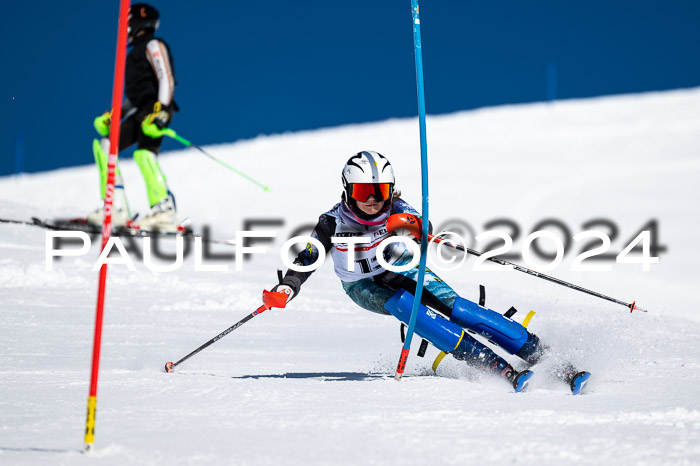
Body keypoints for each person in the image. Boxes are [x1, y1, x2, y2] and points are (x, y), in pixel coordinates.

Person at [269, 150, 591, 393]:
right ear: (347, 191)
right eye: (362, 192)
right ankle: (497, 367)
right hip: (363, 286)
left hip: (399, 267)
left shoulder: (396, 208)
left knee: (460, 309)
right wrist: (288, 287)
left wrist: (414, 229)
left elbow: (425, 229)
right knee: (408, 309)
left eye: (379, 191)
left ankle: (543, 355)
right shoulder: (332, 221)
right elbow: (307, 257)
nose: (371, 200)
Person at [88, 3, 179, 231]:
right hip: (139, 110)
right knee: (107, 145)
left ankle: (164, 210)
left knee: (144, 155)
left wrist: (162, 112)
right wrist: (114, 116)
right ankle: (116, 207)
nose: (124, 30)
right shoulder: (131, 55)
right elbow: (133, 98)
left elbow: (166, 78)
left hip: (154, 110)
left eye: (126, 24)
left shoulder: (153, 45)